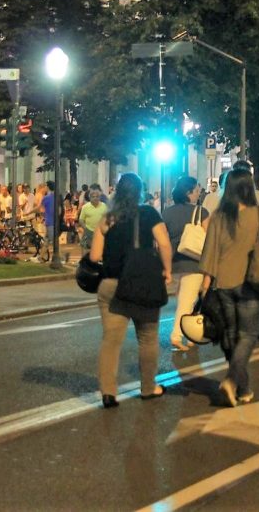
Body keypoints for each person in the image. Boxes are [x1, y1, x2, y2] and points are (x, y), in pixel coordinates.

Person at [199, 168, 259, 407]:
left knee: (231, 337)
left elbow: (209, 252)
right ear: (249, 188)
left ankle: (243, 389)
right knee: (248, 336)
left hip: (223, 283)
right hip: (251, 284)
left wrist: (205, 285)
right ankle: (231, 381)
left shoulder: (218, 216)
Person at [89, 172, 172, 407]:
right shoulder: (148, 214)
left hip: (111, 285)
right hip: (141, 283)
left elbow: (95, 256)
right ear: (140, 191)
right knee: (147, 338)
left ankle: (108, 392)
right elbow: (164, 243)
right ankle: (148, 388)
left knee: (111, 341)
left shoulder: (107, 218)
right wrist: (166, 270)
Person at [162, 176, 210, 352]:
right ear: (189, 192)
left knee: (184, 300)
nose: (199, 194)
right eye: (197, 190)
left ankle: (189, 336)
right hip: (194, 263)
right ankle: (176, 335)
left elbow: (161, 240)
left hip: (174, 263)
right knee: (186, 302)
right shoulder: (201, 212)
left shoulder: (166, 212)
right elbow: (210, 240)